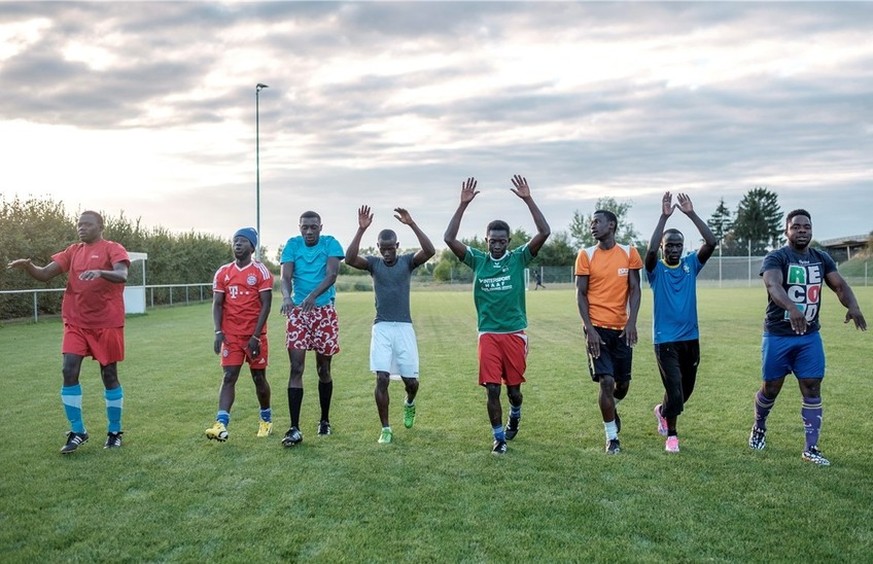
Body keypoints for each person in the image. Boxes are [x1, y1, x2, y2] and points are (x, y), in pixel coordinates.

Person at [748, 209, 866, 466]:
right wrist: (792, 308)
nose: (802, 231)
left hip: (809, 337)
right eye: (796, 227)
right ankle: (759, 426)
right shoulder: (776, 257)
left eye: (806, 227)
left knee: (812, 387)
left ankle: (811, 448)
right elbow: (773, 285)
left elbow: (839, 285)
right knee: (771, 389)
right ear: (786, 230)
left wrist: (853, 305)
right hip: (778, 335)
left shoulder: (820, 258)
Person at [444, 175, 550, 455]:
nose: (497, 244)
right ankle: (498, 438)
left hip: (514, 333)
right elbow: (449, 238)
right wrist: (462, 205)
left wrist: (528, 198)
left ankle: (515, 411)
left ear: (509, 241)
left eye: (502, 240)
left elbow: (544, 232)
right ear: (486, 240)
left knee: (513, 390)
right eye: (493, 240)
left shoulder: (518, 258)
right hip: (488, 333)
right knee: (492, 388)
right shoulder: (478, 259)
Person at [7, 211, 129, 454]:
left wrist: (100, 271)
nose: (81, 228)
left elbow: (122, 274)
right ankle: (78, 431)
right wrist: (29, 266)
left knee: (109, 375)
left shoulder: (112, 248)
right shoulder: (73, 251)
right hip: (76, 322)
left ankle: (114, 432)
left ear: (100, 226)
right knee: (68, 369)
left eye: (87, 224)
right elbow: (44, 274)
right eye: (79, 224)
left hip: (107, 322)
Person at [344, 206, 436, 444]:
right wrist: (361, 229)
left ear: (397, 246)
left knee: (411, 383)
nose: (386, 253)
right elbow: (351, 258)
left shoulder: (407, 262)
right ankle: (385, 428)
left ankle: (409, 402)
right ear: (378, 248)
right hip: (382, 327)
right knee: (382, 378)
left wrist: (412, 223)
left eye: (390, 248)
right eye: (382, 249)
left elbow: (429, 250)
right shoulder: (374, 264)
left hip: (404, 328)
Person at [644, 192, 716, 453]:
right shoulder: (656, 270)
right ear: (664, 247)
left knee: (685, 392)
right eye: (669, 245)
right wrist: (664, 217)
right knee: (674, 391)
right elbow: (650, 251)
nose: (674, 249)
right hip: (665, 340)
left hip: (690, 339)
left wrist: (690, 214)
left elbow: (711, 241)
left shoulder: (691, 265)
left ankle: (662, 411)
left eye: (678, 245)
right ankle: (671, 435)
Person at [575, 209, 642, 454]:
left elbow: (635, 289)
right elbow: (580, 294)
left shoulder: (629, 253)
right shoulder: (585, 255)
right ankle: (612, 437)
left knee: (622, 385)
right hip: (596, 329)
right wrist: (589, 329)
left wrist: (632, 322)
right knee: (606, 381)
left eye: (597, 222)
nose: (592, 226)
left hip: (622, 330)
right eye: (591, 222)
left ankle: (611, 408)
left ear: (611, 225)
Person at [279, 211, 344, 447]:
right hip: (297, 311)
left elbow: (332, 274)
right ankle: (294, 427)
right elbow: (285, 277)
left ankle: (324, 420)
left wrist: (312, 296)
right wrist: (287, 297)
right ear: (299, 227)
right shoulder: (292, 245)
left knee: (323, 369)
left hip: (324, 310)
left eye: (313, 227)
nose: (309, 231)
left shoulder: (330, 243)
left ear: (320, 227)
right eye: (305, 227)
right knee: (296, 367)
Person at [205, 228, 274, 442]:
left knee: (258, 378)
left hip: (254, 336)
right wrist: (218, 331)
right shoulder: (223, 272)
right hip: (231, 337)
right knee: (228, 377)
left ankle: (266, 420)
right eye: (235, 240)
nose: (237, 244)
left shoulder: (261, 272)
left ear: (252, 247)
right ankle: (221, 424)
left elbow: (266, 306)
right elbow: (217, 304)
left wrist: (255, 336)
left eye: (243, 241)